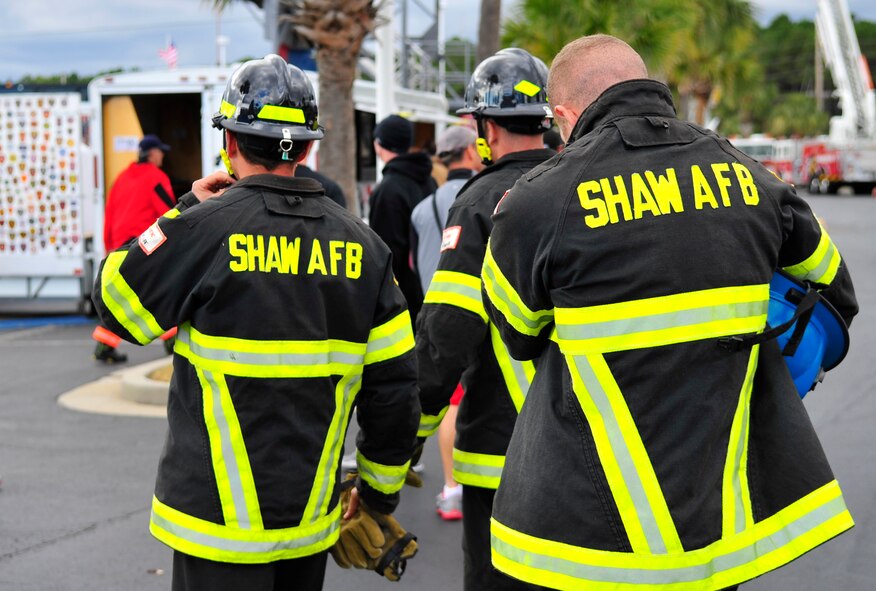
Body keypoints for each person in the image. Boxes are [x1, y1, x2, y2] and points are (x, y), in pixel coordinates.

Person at [482, 34, 858, 591]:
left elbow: (517, 333)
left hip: (592, 531)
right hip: (718, 520)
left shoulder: (534, 203)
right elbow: (832, 297)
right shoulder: (753, 178)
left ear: (563, 114)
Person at [92, 54, 419, 590]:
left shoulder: (203, 228)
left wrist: (181, 211)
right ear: (308, 148)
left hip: (211, 524)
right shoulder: (367, 249)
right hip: (308, 521)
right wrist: (378, 495)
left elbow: (116, 303)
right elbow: (394, 390)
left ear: (230, 143)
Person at [415, 48, 555, 590]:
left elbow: (446, 333)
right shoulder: (583, 189)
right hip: (591, 448)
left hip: (500, 450)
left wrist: (405, 436)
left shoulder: (479, 202)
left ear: (485, 129)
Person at [410, 124, 481, 521]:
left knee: (449, 402)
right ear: (471, 151)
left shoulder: (423, 208)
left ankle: (451, 489)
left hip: (437, 315)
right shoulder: (490, 194)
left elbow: (411, 261)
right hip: (483, 315)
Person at [92, 134, 177, 363]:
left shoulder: (122, 178)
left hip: (120, 243)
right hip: (143, 242)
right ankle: (171, 341)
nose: (162, 155)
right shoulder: (156, 177)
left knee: (124, 294)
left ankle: (104, 343)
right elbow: (169, 211)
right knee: (160, 288)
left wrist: (109, 245)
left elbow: (109, 212)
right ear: (152, 153)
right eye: (160, 151)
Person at [368, 114, 437, 324]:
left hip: (403, 302)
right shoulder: (429, 181)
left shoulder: (387, 189)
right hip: (433, 287)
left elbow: (385, 252)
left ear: (379, 144)